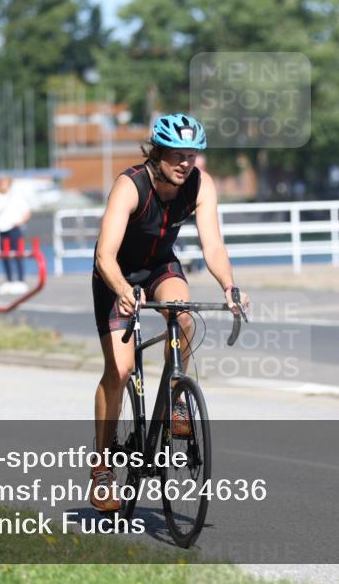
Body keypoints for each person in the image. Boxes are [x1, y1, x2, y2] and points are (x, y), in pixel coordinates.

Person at [89, 113, 249, 512]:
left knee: (184, 317)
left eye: (192, 155)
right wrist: (124, 290)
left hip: (160, 266)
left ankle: (175, 396)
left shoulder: (199, 184)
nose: (185, 163)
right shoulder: (130, 186)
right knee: (121, 369)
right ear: (157, 152)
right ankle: (102, 466)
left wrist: (229, 286)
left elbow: (212, 246)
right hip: (116, 275)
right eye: (177, 155)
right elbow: (104, 255)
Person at [0, 176, 32, 295]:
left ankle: (21, 280)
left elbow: (27, 212)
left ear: (9, 183)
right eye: (0, 182)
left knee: (18, 253)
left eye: (4, 182)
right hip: (1, 229)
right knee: (4, 255)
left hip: (14, 228)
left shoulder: (16, 196)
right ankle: (9, 280)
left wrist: (20, 222)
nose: (2, 184)